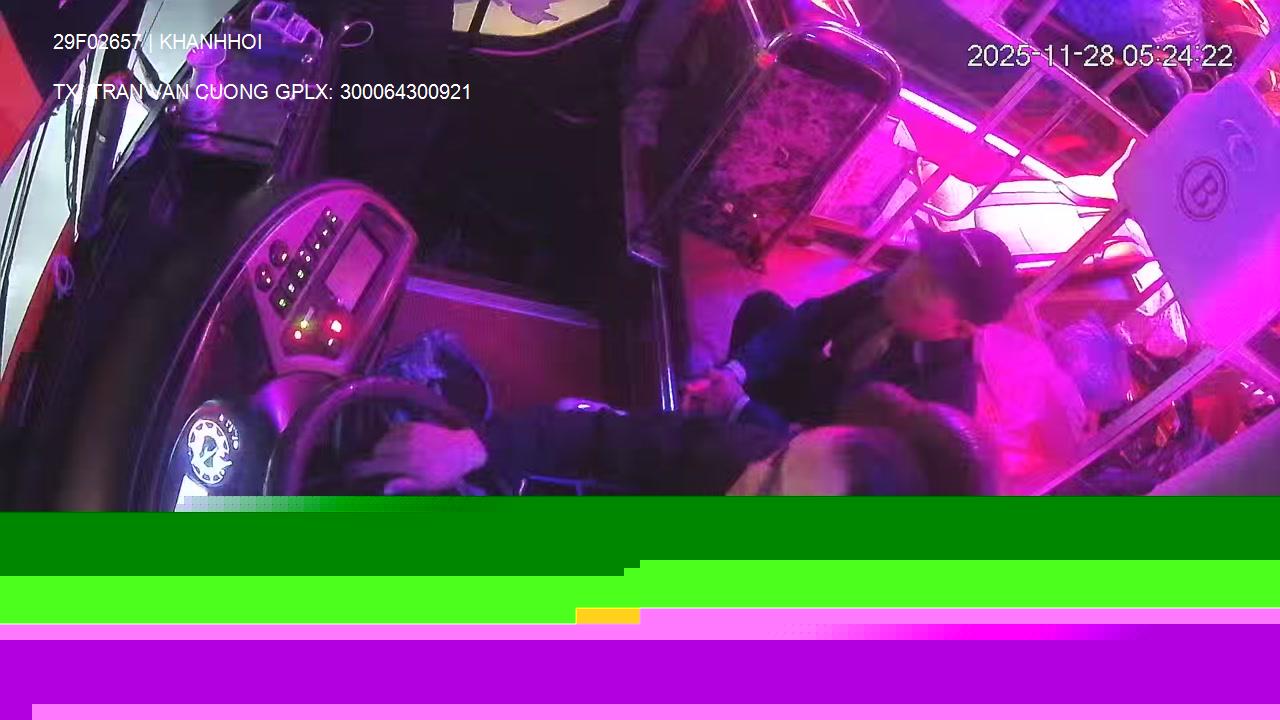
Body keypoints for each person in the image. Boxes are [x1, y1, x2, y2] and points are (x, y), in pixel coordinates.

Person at [348, 383, 997, 496]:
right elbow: (605, 435)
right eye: (777, 461)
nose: (749, 481)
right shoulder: (739, 457)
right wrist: (475, 447)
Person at [683, 227, 1018, 432]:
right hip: (821, 391)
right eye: (924, 257)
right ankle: (714, 395)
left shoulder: (939, 405)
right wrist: (734, 372)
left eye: (930, 284)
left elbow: (841, 471)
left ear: (960, 329)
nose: (909, 275)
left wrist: (741, 410)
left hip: (824, 454)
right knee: (765, 309)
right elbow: (815, 319)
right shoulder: (896, 285)